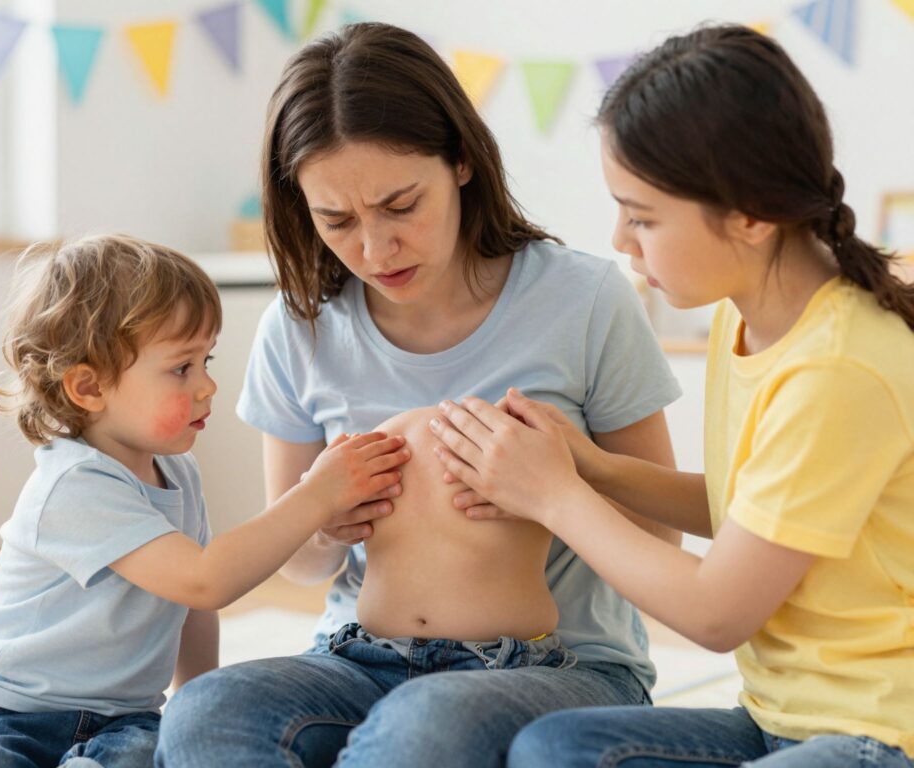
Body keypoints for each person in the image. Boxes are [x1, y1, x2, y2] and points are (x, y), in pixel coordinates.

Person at [157, 22, 682, 768]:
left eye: (401, 205)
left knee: (422, 728)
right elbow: (304, 565)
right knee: (206, 711)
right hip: (359, 655)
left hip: (562, 665)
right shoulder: (299, 328)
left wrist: (550, 491)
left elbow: (663, 536)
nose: (374, 250)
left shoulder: (585, 298)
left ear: (462, 160)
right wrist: (327, 517)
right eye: (335, 220)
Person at [428, 25, 914, 768]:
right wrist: (589, 465)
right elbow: (744, 512)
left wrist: (556, 497)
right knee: (552, 749)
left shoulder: (842, 367)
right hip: (776, 717)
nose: (620, 238)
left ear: (750, 215)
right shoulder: (746, 314)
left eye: (643, 216)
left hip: (880, 737)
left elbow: (717, 612)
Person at [0, 235, 408, 768]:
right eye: (182, 368)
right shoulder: (74, 484)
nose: (208, 387)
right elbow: (205, 578)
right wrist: (315, 496)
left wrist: (195, 702)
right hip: (4, 711)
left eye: (207, 360)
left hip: (122, 718)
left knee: (149, 755)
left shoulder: (177, 471)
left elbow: (195, 607)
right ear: (89, 387)